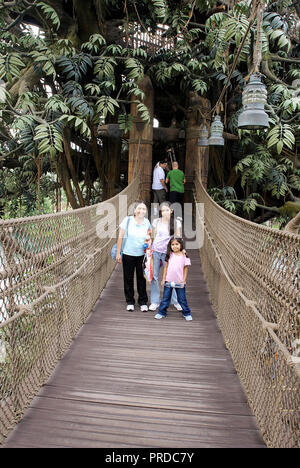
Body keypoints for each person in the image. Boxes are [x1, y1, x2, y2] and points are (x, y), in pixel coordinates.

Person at [116, 201, 151, 312]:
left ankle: (143, 302)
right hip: (128, 254)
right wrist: (118, 253)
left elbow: (149, 237)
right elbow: (120, 237)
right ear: (135, 210)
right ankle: (130, 301)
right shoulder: (127, 220)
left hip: (142, 255)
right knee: (128, 278)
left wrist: (149, 242)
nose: (141, 211)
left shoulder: (147, 222)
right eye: (139, 208)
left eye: (144, 209)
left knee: (141, 278)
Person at [149, 202, 182, 312]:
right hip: (156, 251)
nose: (165, 212)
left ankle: (175, 301)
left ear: (171, 211)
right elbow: (152, 237)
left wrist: (180, 253)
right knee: (154, 276)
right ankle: (155, 301)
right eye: (163, 211)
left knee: (171, 277)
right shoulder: (156, 222)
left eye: (167, 210)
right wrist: (148, 248)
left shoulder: (176, 223)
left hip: (168, 253)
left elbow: (178, 239)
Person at [154, 237, 192, 321]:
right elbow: (166, 268)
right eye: (173, 244)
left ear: (181, 245)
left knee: (182, 299)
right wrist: (163, 279)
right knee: (165, 298)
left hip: (179, 281)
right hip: (169, 281)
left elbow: (185, 269)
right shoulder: (169, 255)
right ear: (170, 246)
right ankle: (161, 312)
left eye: (177, 244)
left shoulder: (184, 255)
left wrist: (184, 280)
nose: (175, 246)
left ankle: (186, 313)